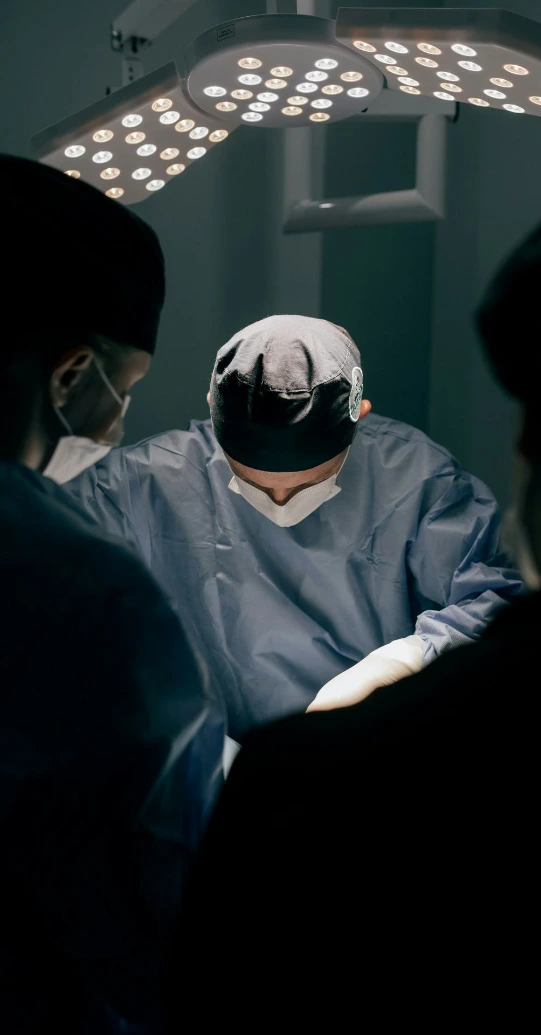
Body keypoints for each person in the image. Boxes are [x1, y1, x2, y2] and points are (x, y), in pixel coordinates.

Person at [165, 142, 541, 1030]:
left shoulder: (326, 798)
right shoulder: (141, 480)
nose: (279, 499)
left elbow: (487, 593)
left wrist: (402, 667)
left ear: (536, 442)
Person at [0, 155, 225, 1034]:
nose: (119, 424)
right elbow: (160, 903)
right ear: (67, 377)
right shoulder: (77, 587)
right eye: (119, 392)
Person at [67, 314, 521, 742]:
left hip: (365, 746)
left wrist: (409, 658)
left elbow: (494, 600)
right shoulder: (135, 487)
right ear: (212, 413)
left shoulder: (420, 481)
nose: (279, 504)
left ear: (359, 414)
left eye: (308, 483)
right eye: (251, 482)